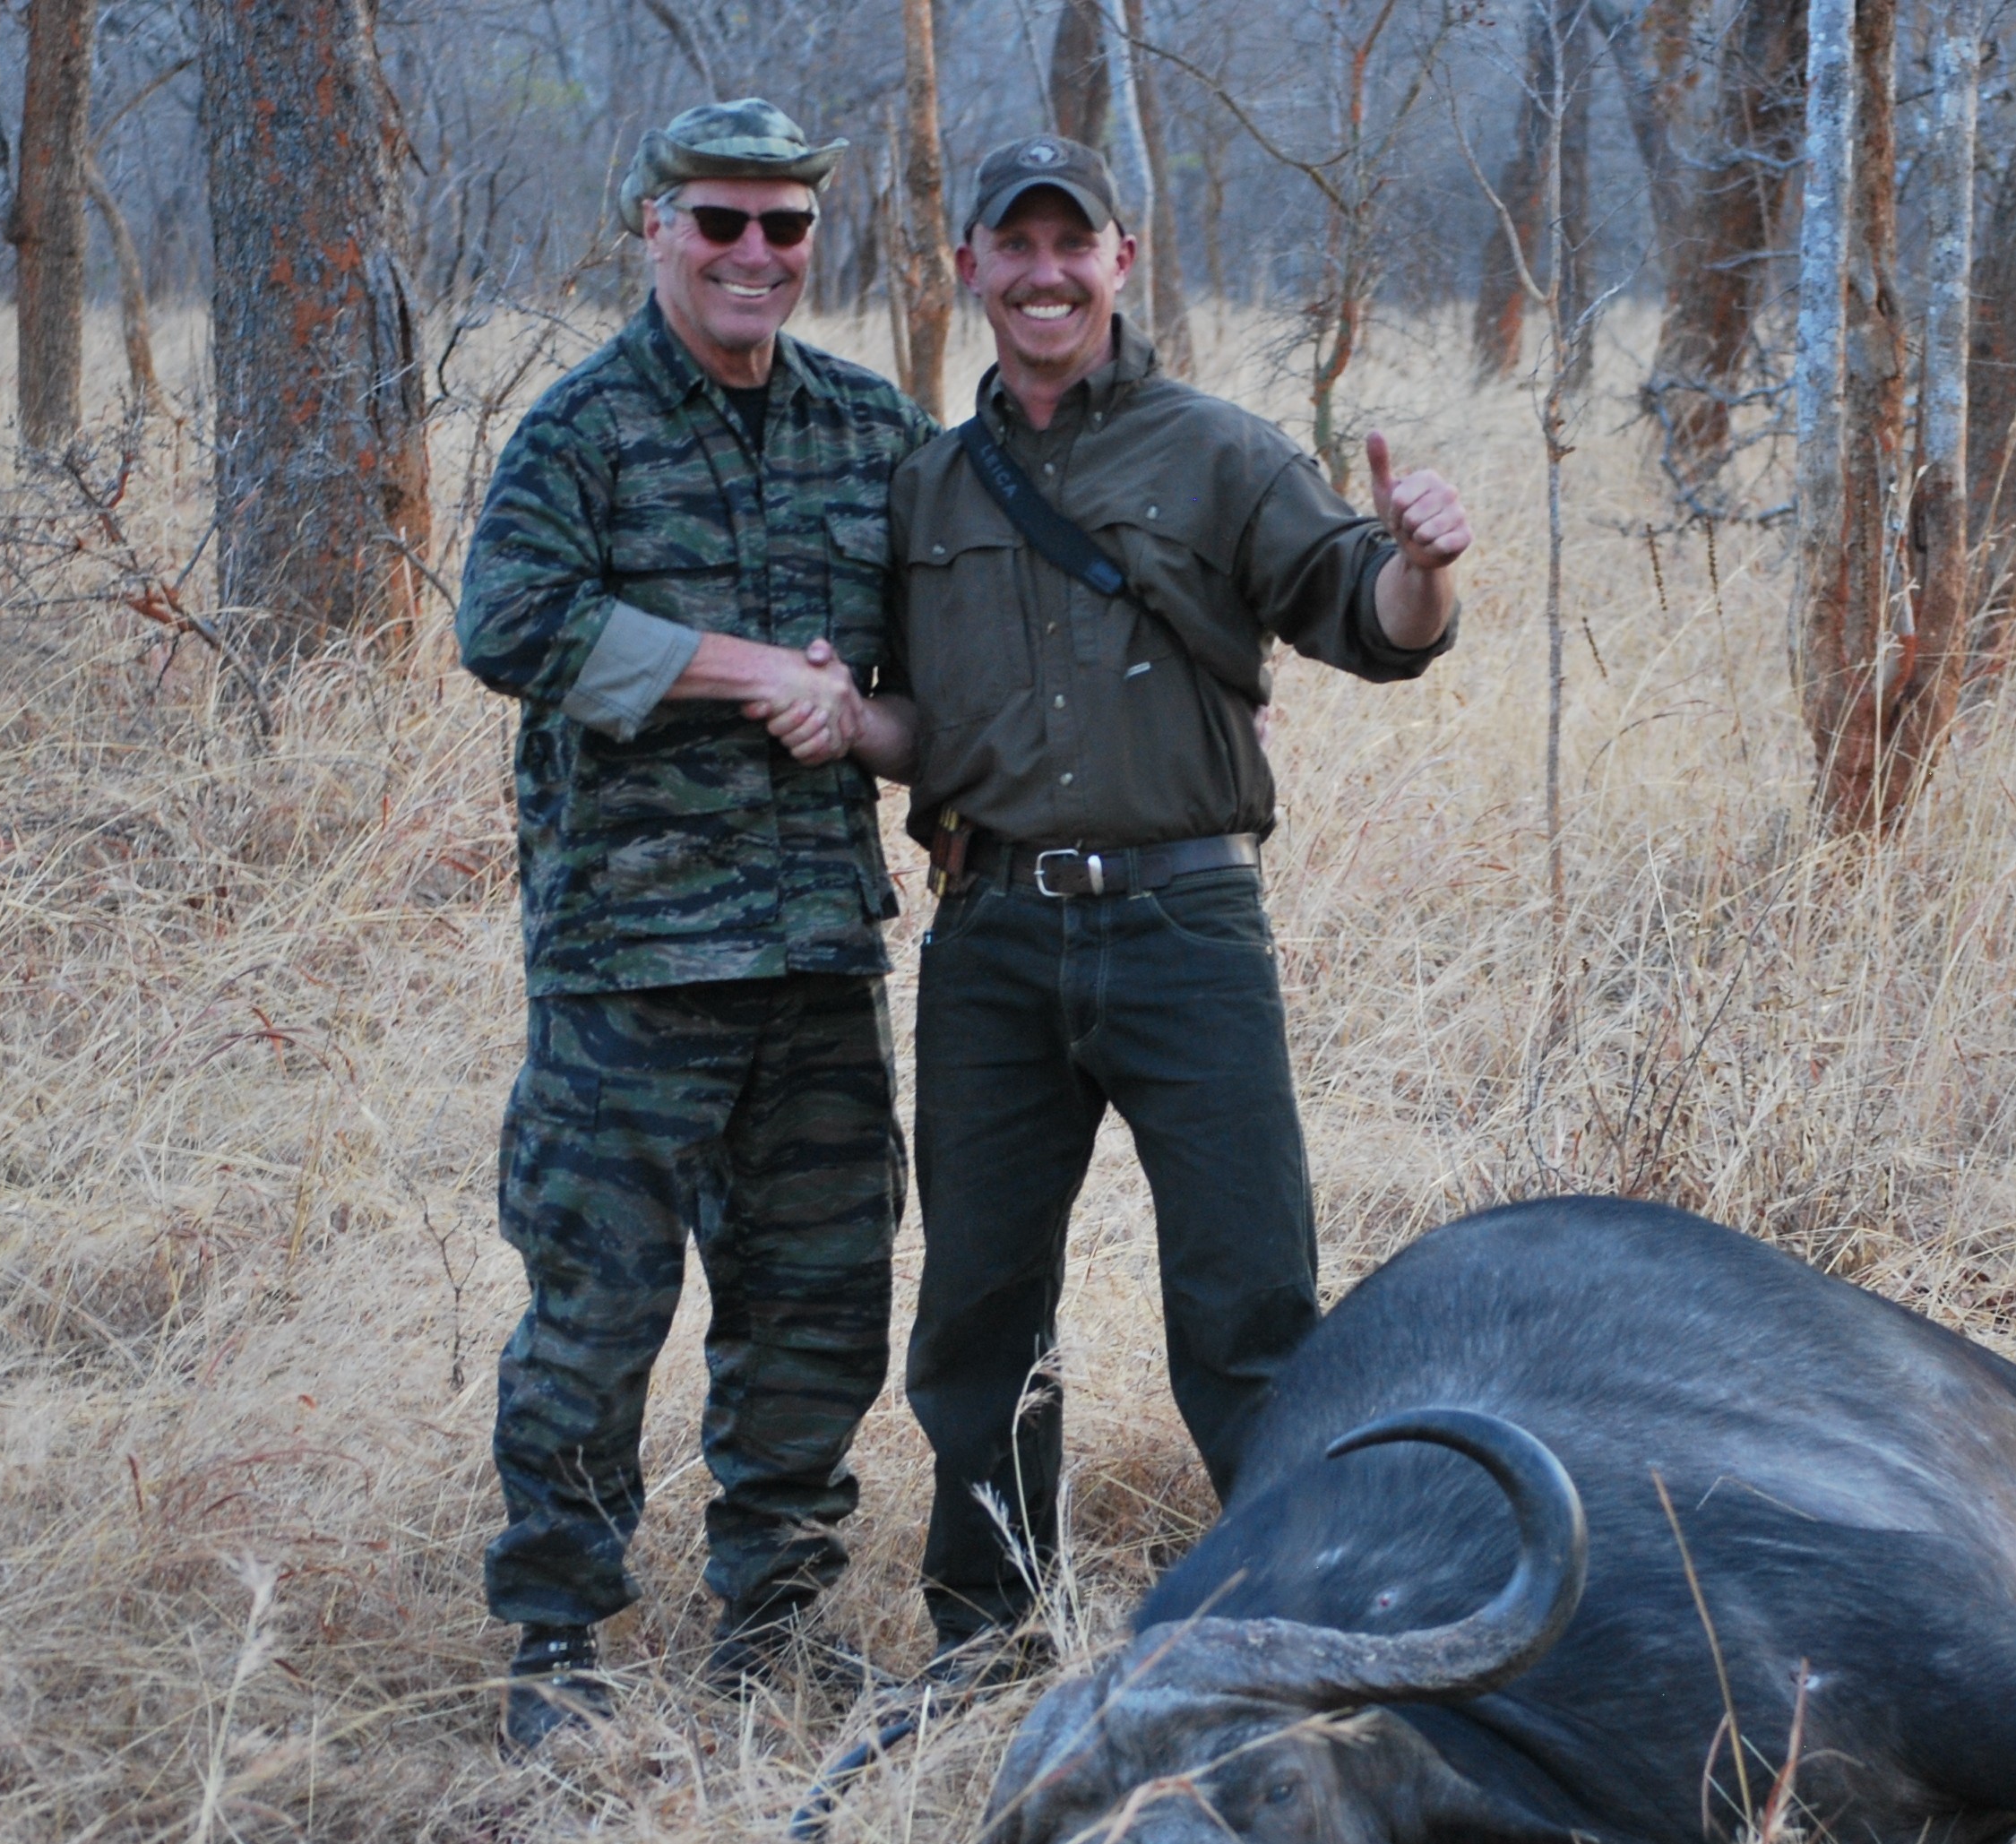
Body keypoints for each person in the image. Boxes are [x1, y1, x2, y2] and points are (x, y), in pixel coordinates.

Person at [848, 135, 1476, 1673]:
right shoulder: (926, 482)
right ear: (970, 269)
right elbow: (912, 716)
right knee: (981, 1314)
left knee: (1249, 1308)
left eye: (1078, 244)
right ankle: (988, 1640)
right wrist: (808, 706)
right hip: (989, 937)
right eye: (1019, 246)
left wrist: (1425, 566)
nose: (1047, 272)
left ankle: (1306, 1626)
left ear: (1122, 261)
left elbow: (1370, 621)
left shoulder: (1217, 449)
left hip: (1187, 931)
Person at [456, 99, 930, 1755]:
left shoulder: (873, 430)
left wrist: (865, 713)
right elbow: (511, 622)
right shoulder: (583, 430)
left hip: (815, 953)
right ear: (652, 226)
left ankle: (776, 1628)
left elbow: (947, 655)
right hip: (631, 960)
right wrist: (762, 675)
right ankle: (555, 1645)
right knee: (596, 1309)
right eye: (719, 222)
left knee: (818, 1299)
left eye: (784, 228)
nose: (752, 256)